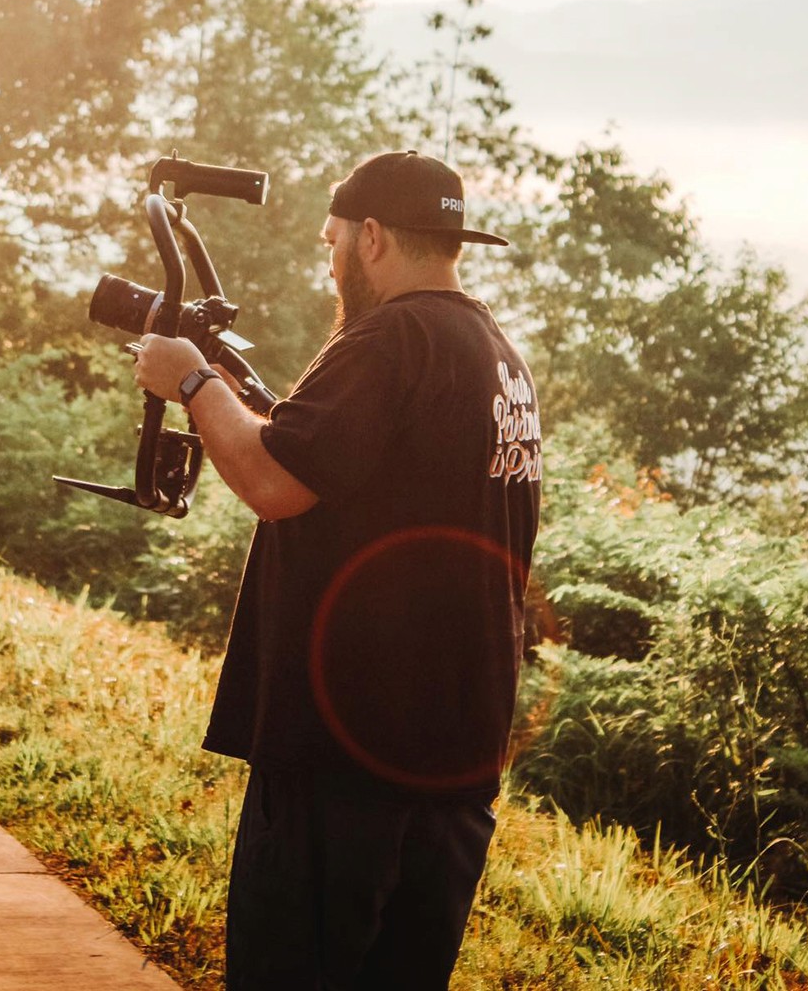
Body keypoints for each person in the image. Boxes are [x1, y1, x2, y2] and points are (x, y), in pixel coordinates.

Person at [132, 149, 542, 989]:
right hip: (454, 757)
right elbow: (349, 464)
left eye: (331, 242)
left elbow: (274, 481)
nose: (330, 262)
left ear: (374, 237)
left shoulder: (390, 337)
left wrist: (193, 379)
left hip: (349, 757)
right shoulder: (495, 352)